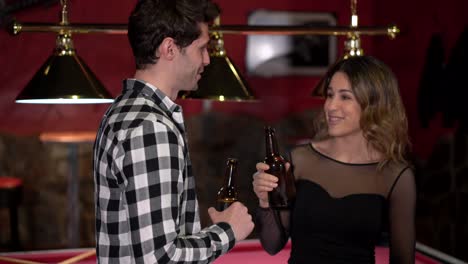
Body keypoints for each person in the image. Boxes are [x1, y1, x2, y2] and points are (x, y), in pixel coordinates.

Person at [93, 0, 254, 263]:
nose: (207, 59)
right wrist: (228, 231)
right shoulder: (150, 128)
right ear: (169, 48)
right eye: (201, 48)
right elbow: (160, 257)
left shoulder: (123, 111)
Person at [253, 55, 416, 263]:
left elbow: (403, 260)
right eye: (330, 95)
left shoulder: (396, 175)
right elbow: (272, 245)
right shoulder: (299, 160)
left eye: (345, 97)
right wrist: (265, 202)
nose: (331, 106)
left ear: (374, 104)